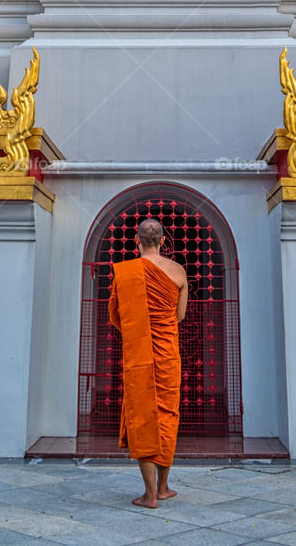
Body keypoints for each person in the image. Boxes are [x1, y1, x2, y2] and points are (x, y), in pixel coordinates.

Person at [108, 216, 188, 508]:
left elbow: (117, 316)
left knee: (142, 417)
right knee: (167, 416)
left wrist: (138, 327)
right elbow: (178, 317)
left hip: (139, 355)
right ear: (164, 241)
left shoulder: (125, 272)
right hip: (168, 356)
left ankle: (150, 494)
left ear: (137, 241)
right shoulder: (178, 271)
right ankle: (164, 487)